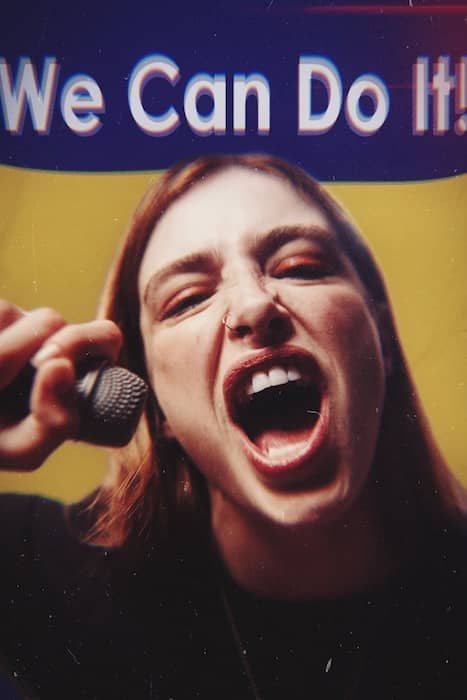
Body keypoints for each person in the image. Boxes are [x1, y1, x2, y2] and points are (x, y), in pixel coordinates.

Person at [0, 153, 466, 700]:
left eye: (300, 266)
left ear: (380, 339)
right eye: (188, 299)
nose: (252, 305)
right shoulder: (38, 571)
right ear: (157, 405)